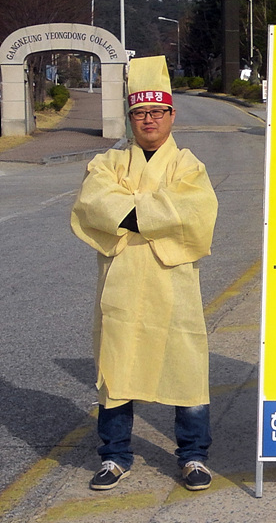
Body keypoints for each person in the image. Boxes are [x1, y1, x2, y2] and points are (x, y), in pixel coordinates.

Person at [71, 56, 218, 492]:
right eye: (140, 113)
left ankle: (193, 456)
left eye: (156, 111)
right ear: (130, 118)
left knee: (186, 370)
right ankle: (114, 455)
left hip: (173, 286)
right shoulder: (108, 163)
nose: (149, 120)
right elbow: (93, 205)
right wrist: (156, 214)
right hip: (120, 287)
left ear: (172, 114)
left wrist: (130, 211)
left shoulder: (188, 165)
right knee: (116, 372)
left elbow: (193, 212)